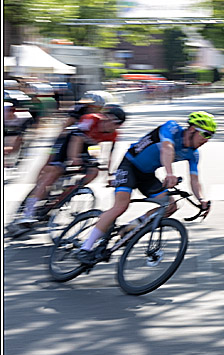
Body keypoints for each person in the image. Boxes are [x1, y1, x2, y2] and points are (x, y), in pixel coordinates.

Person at [73, 111, 215, 263]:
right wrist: (169, 173)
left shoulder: (193, 154)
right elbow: (167, 148)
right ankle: (85, 248)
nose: (207, 140)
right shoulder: (172, 128)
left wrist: (202, 199)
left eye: (211, 136)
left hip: (147, 175)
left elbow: (195, 179)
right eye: (205, 134)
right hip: (129, 165)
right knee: (121, 206)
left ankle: (130, 228)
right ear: (192, 129)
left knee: (170, 205)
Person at [18, 105, 127, 224]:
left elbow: (110, 155)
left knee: (93, 172)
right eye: (105, 119)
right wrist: (73, 158)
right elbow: (76, 139)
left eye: (112, 123)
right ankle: (28, 212)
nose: (106, 123)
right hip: (66, 142)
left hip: (85, 147)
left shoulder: (114, 135)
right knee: (53, 172)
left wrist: (109, 175)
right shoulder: (90, 119)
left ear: (118, 125)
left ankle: (64, 196)